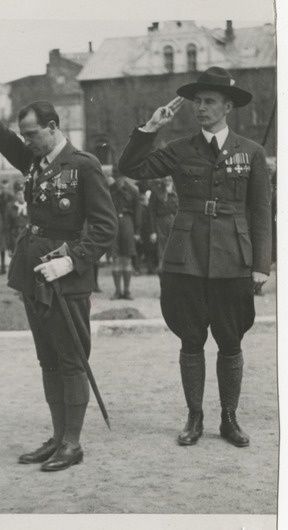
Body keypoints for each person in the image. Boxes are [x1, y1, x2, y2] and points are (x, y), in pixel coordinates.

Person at [0, 58, 117, 471]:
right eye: (25, 135)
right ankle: (58, 434)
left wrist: (69, 262)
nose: (26, 141)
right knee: (48, 359)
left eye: (32, 134)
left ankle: (73, 443)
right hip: (34, 275)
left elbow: (104, 228)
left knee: (70, 359)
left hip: (65, 278)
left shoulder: (82, 166)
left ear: (53, 126)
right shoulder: (34, 161)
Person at [117, 66, 271, 448]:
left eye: (209, 102)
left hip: (233, 259)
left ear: (227, 106)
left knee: (231, 341)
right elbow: (131, 168)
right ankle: (194, 417)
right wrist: (150, 128)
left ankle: (229, 419)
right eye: (197, 102)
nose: (200, 108)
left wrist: (261, 266)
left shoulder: (250, 153)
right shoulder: (180, 149)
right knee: (190, 339)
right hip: (185, 259)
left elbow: (260, 213)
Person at [106, 169, 142, 300]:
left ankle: (127, 291)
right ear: (114, 177)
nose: (119, 179)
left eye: (121, 176)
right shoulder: (109, 190)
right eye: (116, 177)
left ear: (125, 177)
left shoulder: (133, 190)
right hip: (113, 223)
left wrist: (137, 232)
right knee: (115, 258)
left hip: (128, 223)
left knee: (127, 258)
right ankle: (117, 291)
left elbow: (138, 212)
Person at [146, 176, 179, 275]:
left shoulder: (177, 189)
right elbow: (151, 212)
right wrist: (152, 231)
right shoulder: (156, 191)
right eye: (165, 177)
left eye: (169, 177)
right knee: (162, 252)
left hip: (176, 221)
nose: (167, 179)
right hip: (161, 222)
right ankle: (163, 274)